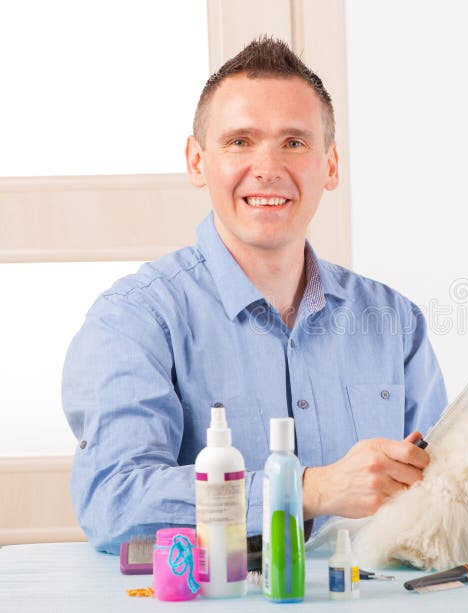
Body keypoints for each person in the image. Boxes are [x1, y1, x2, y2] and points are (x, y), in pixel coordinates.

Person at [62, 36, 447, 554]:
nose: (268, 167)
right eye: (240, 141)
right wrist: (306, 490)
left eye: (294, 142)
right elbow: (116, 503)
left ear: (331, 166)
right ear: (197, 162)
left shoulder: (395, 321)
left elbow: (444, 490)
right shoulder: (134, 319)